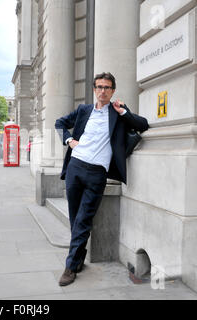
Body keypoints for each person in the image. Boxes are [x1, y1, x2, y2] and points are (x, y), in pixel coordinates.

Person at [55, 72, 149, 287]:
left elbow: (143, 125)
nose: (103, 91)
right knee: (74, 217)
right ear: (94, 89)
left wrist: (124, 111)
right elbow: (59, 122)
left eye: (107, 87)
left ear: (113, 90)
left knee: (84, 219)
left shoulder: (117, 113)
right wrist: (69, 140)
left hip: (97, 173)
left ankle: (70, 267)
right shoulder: (84, 110)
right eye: (99, 87)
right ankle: (78, 258)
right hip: (75, 167)